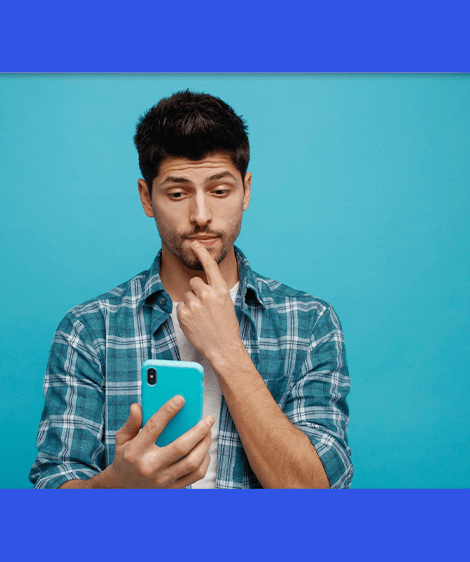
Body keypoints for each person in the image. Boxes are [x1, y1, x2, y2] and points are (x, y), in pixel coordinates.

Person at [28, 91, 352, 489]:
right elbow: (54, 482)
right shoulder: (91, 329)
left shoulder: (310, 323)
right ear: (147, 197)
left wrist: (227, 350)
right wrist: (118, 487)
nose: (201, 215)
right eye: (178, 193)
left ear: (246, 191)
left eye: (220, 190)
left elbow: (314, 492)